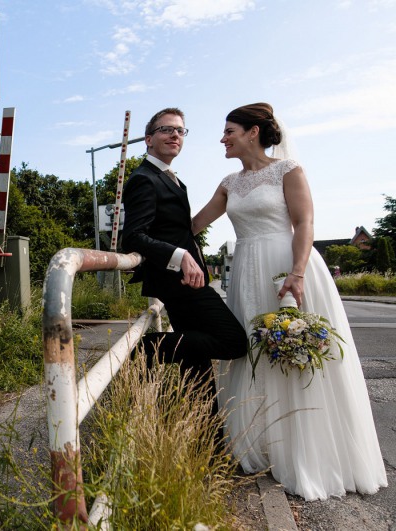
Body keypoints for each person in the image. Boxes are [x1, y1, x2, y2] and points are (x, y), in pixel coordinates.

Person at [192, 102, 387, 501]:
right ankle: (261, 445)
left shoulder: (288, 169)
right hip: (247, 270)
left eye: (229, 130)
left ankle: (306, 452)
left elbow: (305, 223)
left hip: (287, 267)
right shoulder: (228, 182)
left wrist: (297, 273)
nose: (222, 138)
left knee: (293, 351)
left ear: (253, 132)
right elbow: (195, 224)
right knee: (254, 352)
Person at [120, 108, 248, 408]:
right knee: (233, 341)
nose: (175, 134)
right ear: (149, 139)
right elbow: (134, 236)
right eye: (166, 129)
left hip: (187, 279)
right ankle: (147, 349)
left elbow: (178, 229)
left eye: (180, 130)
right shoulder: (144, 179)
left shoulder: (173, 179)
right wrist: (180, 255)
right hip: (176, 282)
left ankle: (208, 441)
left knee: (196, 361)